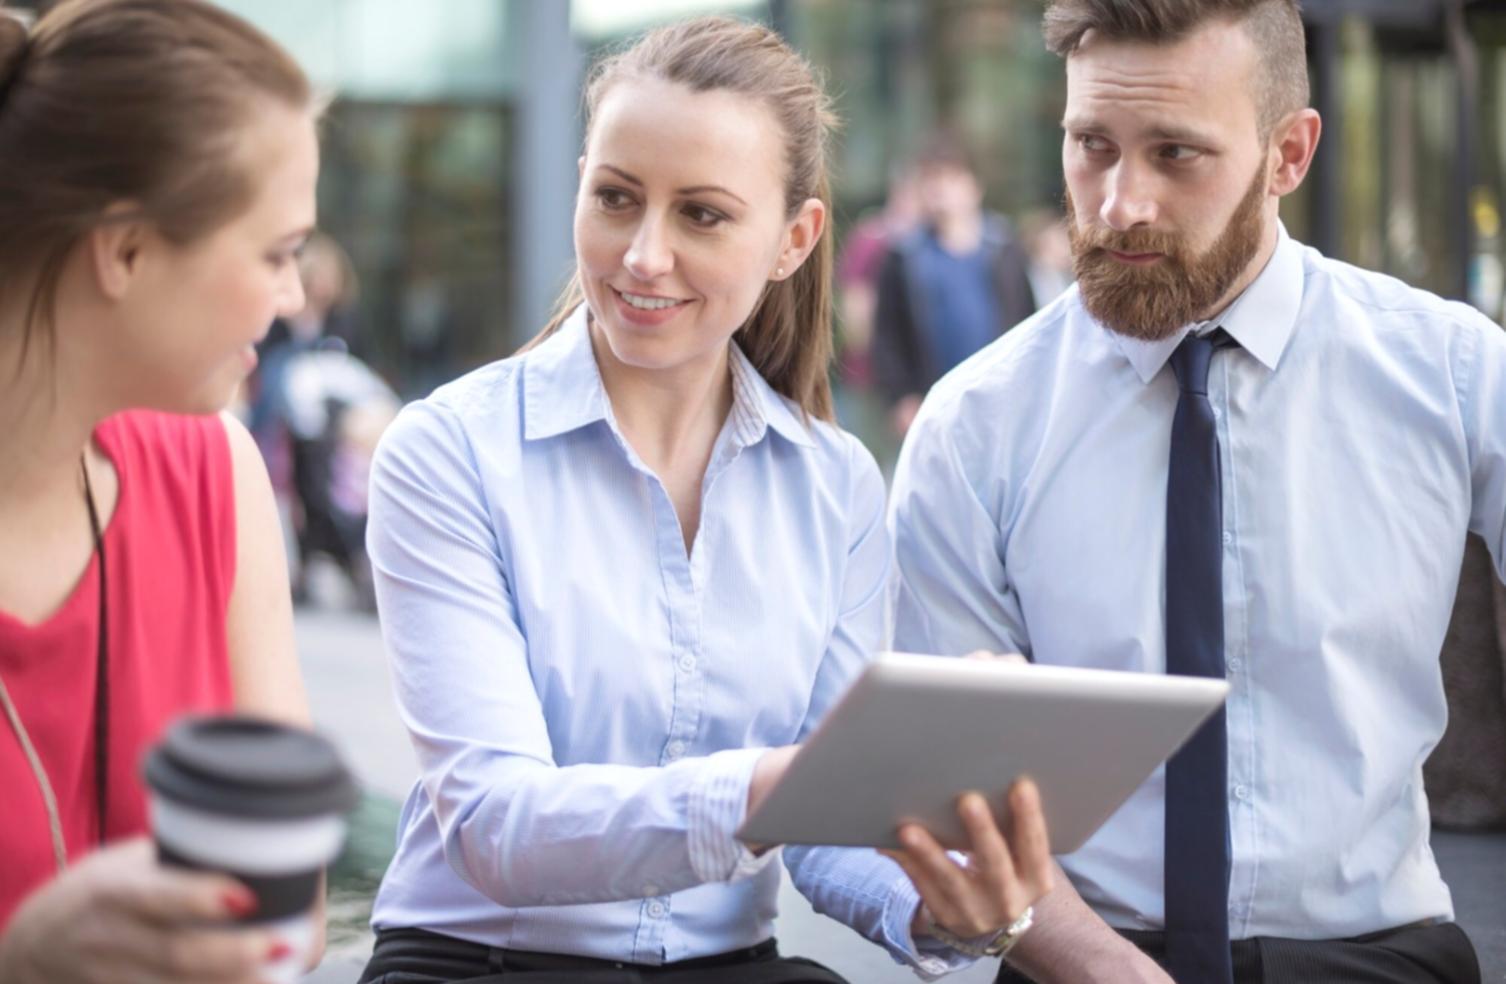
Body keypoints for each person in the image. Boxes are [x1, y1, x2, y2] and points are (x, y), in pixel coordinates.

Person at [361, 16, 1053, 984]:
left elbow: (826, 836)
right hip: (486, 962)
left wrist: (940, 906)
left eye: (702, 214)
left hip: (727, 964)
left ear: (794, 239)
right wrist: (782, 786)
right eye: (616, 198)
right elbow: (494, 826)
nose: (643, 255)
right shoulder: (449, 454)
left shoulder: (837, 483)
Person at [890, 1, 1494, 983]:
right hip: (1082, 958)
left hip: (1376, 955)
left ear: (1288, 154)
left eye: (1177, 154)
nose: (1122, 203)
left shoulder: (1455, 376)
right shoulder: (975, 428)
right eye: (1093, 147)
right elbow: (958, 797)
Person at [0, 1, 323, 981]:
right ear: (126, 249)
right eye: (276, 252)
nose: (296, 296)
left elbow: (292, 909)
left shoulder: (215, 475)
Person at [871, 133, 1037, 440]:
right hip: (933, 405)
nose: (940, 190)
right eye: (931, 180)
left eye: (950, 178)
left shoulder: (1004, 249)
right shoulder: (903, 257)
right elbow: (887, 336)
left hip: (1001, 403)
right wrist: (901, 397)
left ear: (974, 187)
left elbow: (1029, 321)